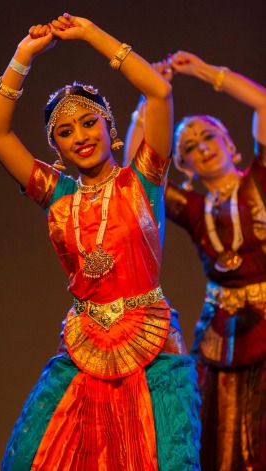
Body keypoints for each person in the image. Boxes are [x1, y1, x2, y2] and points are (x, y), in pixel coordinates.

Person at [0, 13, 201, 471]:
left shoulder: (143, 179)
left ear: (109, 128)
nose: (80, 136)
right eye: (66, 132)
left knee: (166, 460)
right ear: (56, 148)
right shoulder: (56, 193)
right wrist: (24, 55)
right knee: (34, 460)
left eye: (88, 123)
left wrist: (89, 35)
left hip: (154, 348)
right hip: (83, 350)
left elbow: (159, 92)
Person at [125, 50, 266, 470]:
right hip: (220, 332)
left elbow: (263, 104)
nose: (201, 148)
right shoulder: (189, 206)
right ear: (182, 165)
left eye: (208, 137)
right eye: (189, 146)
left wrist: (203, 72)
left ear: (231, 145)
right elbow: (137, 172)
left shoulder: (259, 180)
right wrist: (146, 99)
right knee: (220, 431)